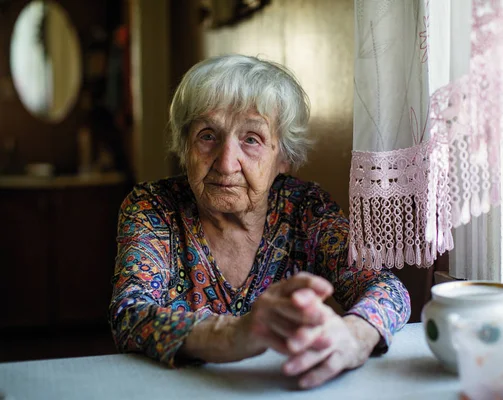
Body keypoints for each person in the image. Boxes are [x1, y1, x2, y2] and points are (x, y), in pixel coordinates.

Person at [108, 54, 411, 389]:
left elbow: (388, 289)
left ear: (283, 157)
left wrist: (354, 336)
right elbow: (130, 315)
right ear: (185, 145)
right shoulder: (153, 208)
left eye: (251, 139)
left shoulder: (305, 209)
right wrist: (235, 333)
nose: (226, 163)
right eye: (208, 135)